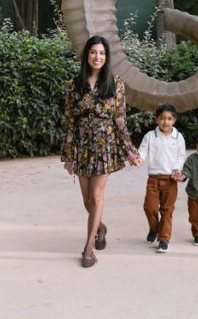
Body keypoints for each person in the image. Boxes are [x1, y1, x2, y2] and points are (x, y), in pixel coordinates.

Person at [61, 35, 142, 268]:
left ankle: (88, 248)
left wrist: (129, 150)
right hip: (81, 145)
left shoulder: (115, 83)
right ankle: (100, 226)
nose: (98, 57)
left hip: (104, 145)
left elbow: (120, 120)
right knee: (87, 200)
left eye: (102, 53)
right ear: (86, 55)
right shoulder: (74, 84)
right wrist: (68, 155)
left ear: (107, 58)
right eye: (94, 52)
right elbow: (69, 121)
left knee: (96, 197)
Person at [136, 103, 186, 253]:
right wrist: (139, 159)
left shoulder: (178, 137)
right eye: (162, 118)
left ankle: (164, 239)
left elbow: (181, 155)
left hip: (171, 180)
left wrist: (177, 170)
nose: (166, 122)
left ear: (174, 120)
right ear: (157, 119)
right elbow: (143, 151)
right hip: (153, 179)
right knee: (149, 207)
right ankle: (154, 228)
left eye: (169, 118)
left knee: (167, 210)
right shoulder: (150, 136)